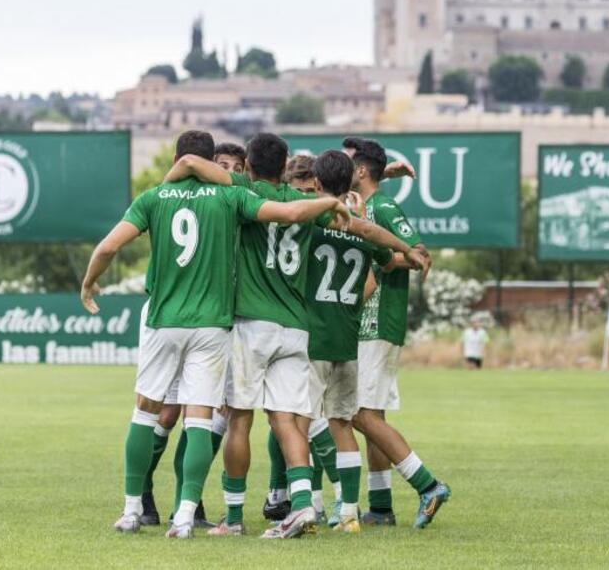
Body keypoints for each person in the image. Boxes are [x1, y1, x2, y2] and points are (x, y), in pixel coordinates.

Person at [80, 129, 351, 539]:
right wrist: (333, 201)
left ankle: (143, 509)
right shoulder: (234, 199)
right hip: (233, 324)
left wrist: (89, 282)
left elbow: (106, 248)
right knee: (215, 418)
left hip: (175, 318)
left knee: (154, 412)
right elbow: (296, 216)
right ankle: (193, 514)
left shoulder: (155, 197)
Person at [166, 134, 425, 539]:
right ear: (286, 164)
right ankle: (303, 504)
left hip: (252, 323)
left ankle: (233, 519)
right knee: (288, 420)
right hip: (296, 329)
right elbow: (363, 230)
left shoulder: (245, 191)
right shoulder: (300, 200)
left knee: (238, 420)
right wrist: (406, 250)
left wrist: (175, 174)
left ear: (248, 164)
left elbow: (196, 167)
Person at [342, 136, 450, 530]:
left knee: (358, 413)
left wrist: (386, 262)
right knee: (374, 417)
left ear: (361, 171)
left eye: (350, 162)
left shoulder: (383, 206)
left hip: (378, 321)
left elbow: (419, 254)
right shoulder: (361, 204)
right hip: (364, 324)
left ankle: (428, 484)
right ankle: (381, 507)